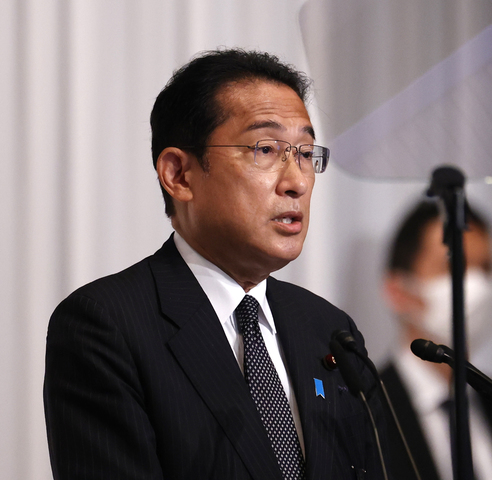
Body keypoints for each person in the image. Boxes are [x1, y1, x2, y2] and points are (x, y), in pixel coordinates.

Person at [44, 49, 384, 480]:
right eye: (266, 148)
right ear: (179, 175)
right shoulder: (108, 325)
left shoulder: (328, 330)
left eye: (304, 153)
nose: (297, 181)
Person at [380, 200, 492, 480]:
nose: (476, 286)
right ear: (397, 291)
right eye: (454, 266)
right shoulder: (360, 413)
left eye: (486, 268)